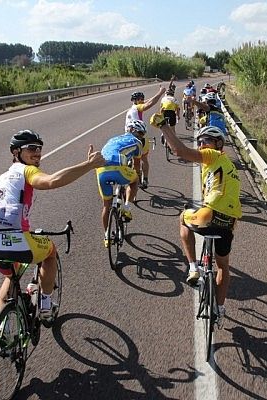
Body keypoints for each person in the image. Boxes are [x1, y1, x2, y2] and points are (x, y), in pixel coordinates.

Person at [0, 129, 105, 316]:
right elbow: (51, 181)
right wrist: (89, 165)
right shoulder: (27, 170)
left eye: (39, 148)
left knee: (11, 277)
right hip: (18, 239)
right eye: (31, 148)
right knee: (50, 253)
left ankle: (5, 335)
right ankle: (46, 305)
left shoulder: (3, 178)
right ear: (16, 152)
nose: (38, 152)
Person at [149, 117, 242, 323]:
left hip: (209, 215)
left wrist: (165, 126)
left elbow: (180, 152)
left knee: (183, 217)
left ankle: (193, 267)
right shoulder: (231, 167)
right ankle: (219, 309)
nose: (201, 145)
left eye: (206, 141)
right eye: (199, 142)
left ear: (218, 144)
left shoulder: (212, 156)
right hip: (230, 221)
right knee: (223, 267)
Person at [96, 119, 146, 247]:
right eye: (141, 134)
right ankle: (126, 208)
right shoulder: (137, 142)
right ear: (137, 133)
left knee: (106, 206)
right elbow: (136, 164)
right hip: (118, 168)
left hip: (100, 169)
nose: (141, 136)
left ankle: (106, 235)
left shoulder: (113, 139)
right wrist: (139, 176)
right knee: (134, 181)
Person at [125, 87, 165, 189]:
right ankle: (144, 179)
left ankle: (136, 176)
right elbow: (150, 103)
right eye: (140, 99)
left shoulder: (131, 109)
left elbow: (148, 101)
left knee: (133, 159)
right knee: (144, 159)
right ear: (135, 100)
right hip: (139, 137)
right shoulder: (138, 108)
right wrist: (160, 92)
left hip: (128, 137)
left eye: (142, 99)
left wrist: (156, 93)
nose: (142, 100)